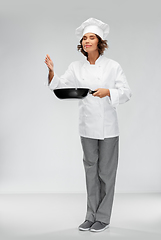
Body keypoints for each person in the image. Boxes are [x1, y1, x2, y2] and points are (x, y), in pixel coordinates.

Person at [45, 18, 132, 233]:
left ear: (100, 41)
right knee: (90, 172)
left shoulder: (113, 66)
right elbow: (61, 85)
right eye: (84, 38)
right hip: (87, 127)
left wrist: (108, 92)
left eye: (91, 37)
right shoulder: (76, 67)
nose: (86, 41)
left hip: (109, 128)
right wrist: (51, 71)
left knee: (106, 173)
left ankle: (103, 218)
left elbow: (127, 93)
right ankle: (90, 215)